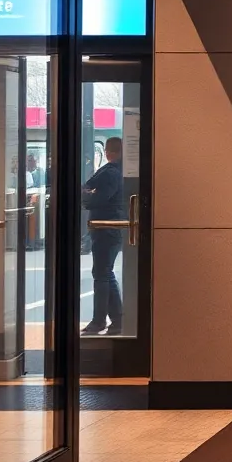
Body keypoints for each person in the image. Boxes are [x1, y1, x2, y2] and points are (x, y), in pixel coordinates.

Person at [82, 137, 125, 335]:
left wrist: (86, 195)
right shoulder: (122, 171)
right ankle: (117, 320)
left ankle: (99, 321)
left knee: (101, 274)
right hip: (113, 228)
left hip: (105, 228)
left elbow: (95, 198)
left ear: (108, 152)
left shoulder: (110, 172)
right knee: (106, 273)